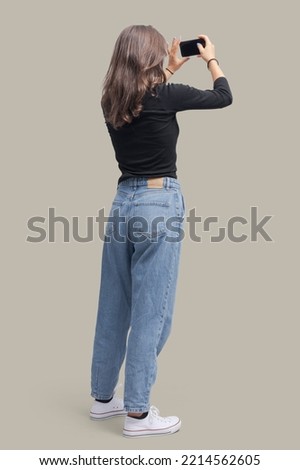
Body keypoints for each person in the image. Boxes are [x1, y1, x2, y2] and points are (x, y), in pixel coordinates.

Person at [90, 25, 232, 438]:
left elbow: (143, 100)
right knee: (153, 311)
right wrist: (210, 59)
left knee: (113, 305)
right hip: (158, 204)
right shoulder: (165, 96)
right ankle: (137, 413)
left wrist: (168, 68)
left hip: (122, 206)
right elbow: (224, 97)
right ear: (151, 56)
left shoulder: (110, 101)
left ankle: (103, 399)